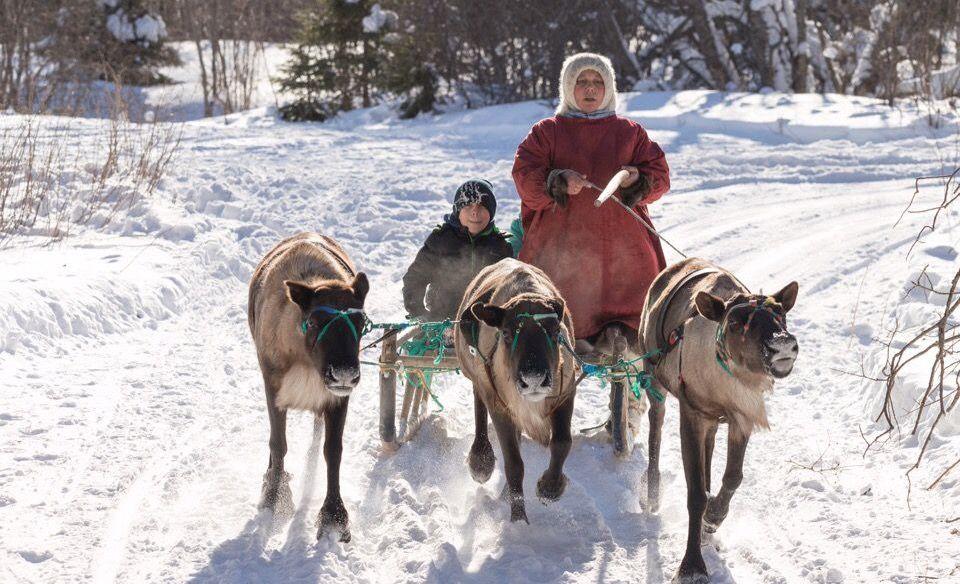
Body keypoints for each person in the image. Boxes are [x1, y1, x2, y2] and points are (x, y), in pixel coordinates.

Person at [511, 52, 670, 346]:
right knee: (552, 316)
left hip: (626, 261)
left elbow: (660, 176)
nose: (590, 88)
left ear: (609, 87)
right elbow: (524, 177)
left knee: (640, 330)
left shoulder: (630, 132)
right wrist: (556, 180)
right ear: (568, 85)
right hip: (562, 256)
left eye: (598, 81)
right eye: (581, 81)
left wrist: (638, 178)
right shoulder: (547, 132)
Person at [403, 179, 513, 325]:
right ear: (457, 210)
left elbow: (511, 288)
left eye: (481, 206)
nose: (475, 212)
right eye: (468, 205)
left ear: (491, 212)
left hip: (485, 324)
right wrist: (418, 312)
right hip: (442, 320)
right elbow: (415, 278)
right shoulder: (441, 240)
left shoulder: (501, 246)